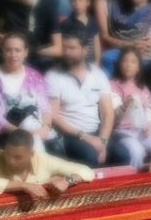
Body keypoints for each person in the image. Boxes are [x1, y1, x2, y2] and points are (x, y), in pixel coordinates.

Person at [47, 31, 131, 167]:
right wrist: (86, 137)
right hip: (70, 135)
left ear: (85, 50)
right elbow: (53, 116)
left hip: (97, 132)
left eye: (72, 48)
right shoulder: (53, 76)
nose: (67, 52)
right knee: (89, 155)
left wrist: (102, 142)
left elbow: (107, 113)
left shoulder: (98, 74)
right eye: (64, 48)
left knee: (123, 153)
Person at [0, 33, 54, 150]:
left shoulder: (34, 76)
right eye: (8, 50)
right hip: (6, 135)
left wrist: (46, 127)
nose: (13, 55)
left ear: (25, 52)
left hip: (37, 129)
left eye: (17, 50)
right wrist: (26, 134)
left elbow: (45, 107)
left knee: (55, 148)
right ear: (2, 51)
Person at [110, 47, 151, 170]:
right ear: (119, 64)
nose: (128, 65)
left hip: (142, 131)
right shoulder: (113, 85)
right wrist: (124, 105)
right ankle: (134, 182)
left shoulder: (142, 87)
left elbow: (149, 110)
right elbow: (114, 115)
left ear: (138, 67)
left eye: (133, 62)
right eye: (125, 61)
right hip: (123, 132)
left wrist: (150, 125)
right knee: (136, 150)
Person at [0, 129, 93, 196]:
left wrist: (67, 181)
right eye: (7, 154)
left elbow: (86, 171)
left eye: (18, 157)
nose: (10, 161)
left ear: (31, 154)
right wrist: (24, 185)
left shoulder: (42, 159)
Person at [0, 0, 62, 72]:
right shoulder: (4, 0)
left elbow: (58, 49)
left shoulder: (47, 6)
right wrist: (1, 37)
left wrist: (29, 50)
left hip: (36, 59)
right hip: (9, 56)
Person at [100, 0, 151, 76]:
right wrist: (131, 44)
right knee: (108, 57)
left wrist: (148, 43)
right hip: (126, 46)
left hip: (146, 49)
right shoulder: (121, 7)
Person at [60, 0, 101, 67]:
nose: (76, 3)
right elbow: (65, 46)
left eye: (80, 0)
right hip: (74, 64)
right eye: (74, 0)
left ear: (88, 2)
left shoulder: (93, 22)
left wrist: (97, 63)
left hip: (91, 64)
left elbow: (97, 45)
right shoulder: (66, 24)